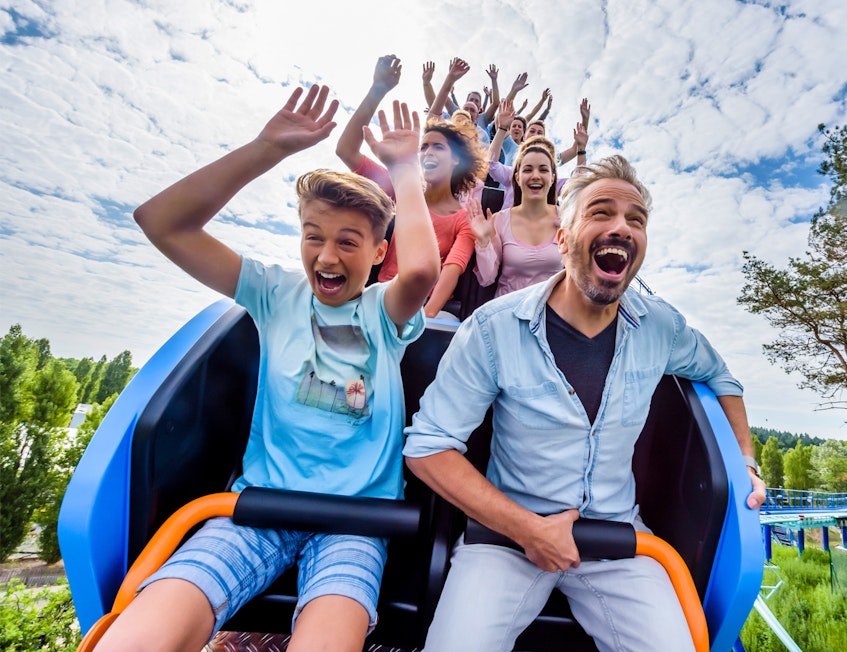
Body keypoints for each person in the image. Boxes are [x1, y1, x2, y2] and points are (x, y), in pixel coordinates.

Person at [94, 89, 441, 652]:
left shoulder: (380, 311)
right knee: (140, 634)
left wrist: (404, 170)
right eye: (314, 237)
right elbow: (161, 223)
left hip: (355, 523)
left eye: (349, 243)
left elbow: (423, 271)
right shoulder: (274, 293)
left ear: (379, 253)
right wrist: (265, 148)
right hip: (256, 508)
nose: (327, 257)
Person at [403, 155, 768, 651]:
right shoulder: (492, 329)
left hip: (618, 540)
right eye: (601, 212)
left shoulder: (661, 326)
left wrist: (744, 459)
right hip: (507, 540)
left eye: (635, 220)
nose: (621, 226)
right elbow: (428, 448)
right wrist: (528, 529)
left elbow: (722, 376)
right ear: (562, 238)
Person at [338, 55, 487, 319]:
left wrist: (418, 322)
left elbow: (451, 271)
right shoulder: (403, 188)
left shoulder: (463, 219)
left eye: (438, 147)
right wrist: (377, 90)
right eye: (424, 147)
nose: (428, 152)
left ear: (456, 159)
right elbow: (346, 150)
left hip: (426, 309)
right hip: (382, 296)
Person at [470, 138, 562, 297]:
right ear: (517, 178)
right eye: (527, 170)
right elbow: (487, 278)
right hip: (508, 311)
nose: (535, 176)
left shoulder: (566, 218)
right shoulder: (499, 220)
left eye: (543, 170)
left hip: (552, 313)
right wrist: (484, 241)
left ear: (552, 177)